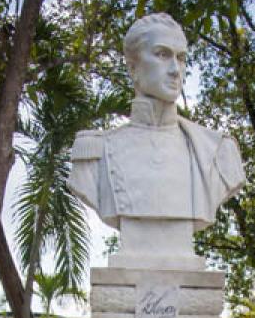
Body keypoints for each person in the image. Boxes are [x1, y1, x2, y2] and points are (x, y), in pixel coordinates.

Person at [67, 14, 245, 244]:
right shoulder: (96, 153)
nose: (175, 70)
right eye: (162, 55)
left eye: (181, 58)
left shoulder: (218, 150)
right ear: (133, 68)